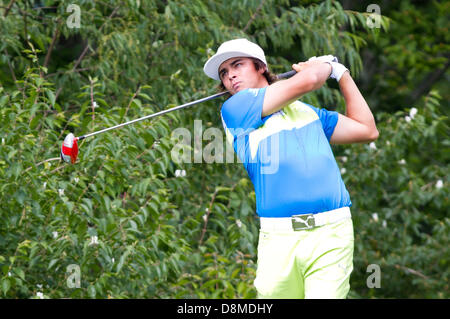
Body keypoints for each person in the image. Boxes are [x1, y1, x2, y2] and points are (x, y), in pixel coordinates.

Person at [203, 38, 379, 299]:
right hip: (279, 238)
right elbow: (308, 81)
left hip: (332, 233)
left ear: (260, 66)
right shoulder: (235, 109)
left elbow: (367, 130)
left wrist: (342, 75)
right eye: (224, 73)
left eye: (237, 66)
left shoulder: (309, 113)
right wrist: (323, 67)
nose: (230, 77)